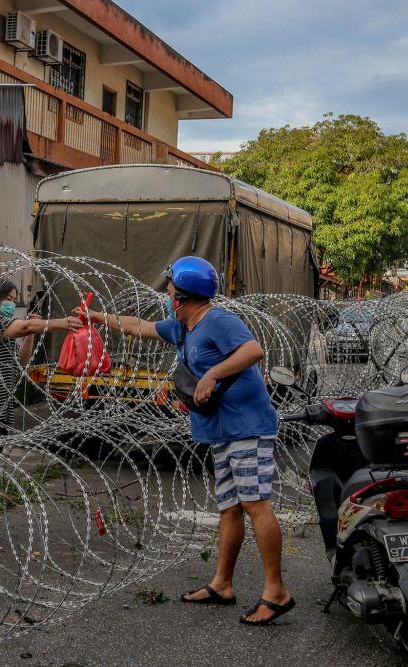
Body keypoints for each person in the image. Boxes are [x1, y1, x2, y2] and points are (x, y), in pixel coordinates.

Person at [79, 256, 294, 625]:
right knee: (230, 507)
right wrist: (98, 318)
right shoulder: (184, 327)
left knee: (256, 504)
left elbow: (252, 351)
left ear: (182, 296)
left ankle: (276, 590)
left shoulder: (217, 321)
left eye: (170, 290)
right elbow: (140, 327)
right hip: (222, 430)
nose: (166, 295)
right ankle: (222, 584)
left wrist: (213, 373)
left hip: (247, 427)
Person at [0, 277, 81, 553]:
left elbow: (22, 361)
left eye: (16, 300)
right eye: (10, 299)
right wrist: (60, 323)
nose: (13, 304)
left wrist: (31, 334)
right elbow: (23, 324)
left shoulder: (1, 334)